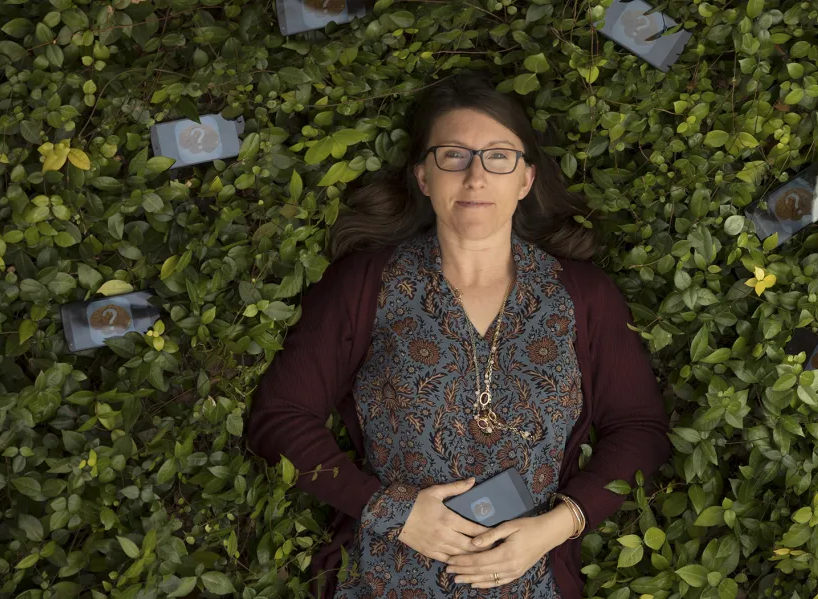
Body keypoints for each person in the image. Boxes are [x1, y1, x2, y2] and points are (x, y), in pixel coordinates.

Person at [245, 71, 671, 598]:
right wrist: (391, 511)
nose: (475, 177)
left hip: (532, 580)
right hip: (384, 577)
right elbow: (279, 418)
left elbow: (639, 430)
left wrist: (555, 527)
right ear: (424, 176)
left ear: (526, 180)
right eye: (453, 155)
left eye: (498, 156)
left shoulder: (583, 294)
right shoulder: (365, 283)